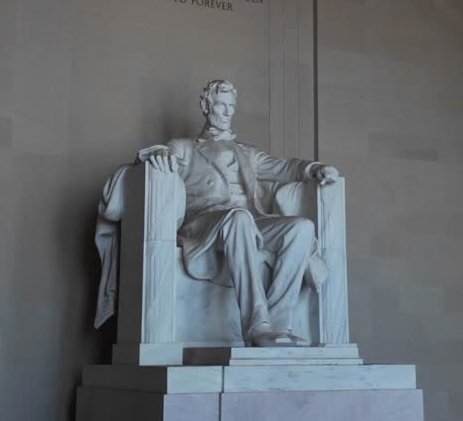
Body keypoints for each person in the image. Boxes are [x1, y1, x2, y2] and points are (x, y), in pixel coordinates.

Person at [140, 80, 340, 347]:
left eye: (231, 106)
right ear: (206, 106)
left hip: (248, 222)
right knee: (238, 217)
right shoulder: (184, 146)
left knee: (301, 228)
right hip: (204, 221)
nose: (227, 112)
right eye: (220, 105)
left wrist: (315, 168)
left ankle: (279, 324)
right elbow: (157, 157)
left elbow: (285, 167)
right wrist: (159, 152)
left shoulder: (248, 153)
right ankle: (257, 326)